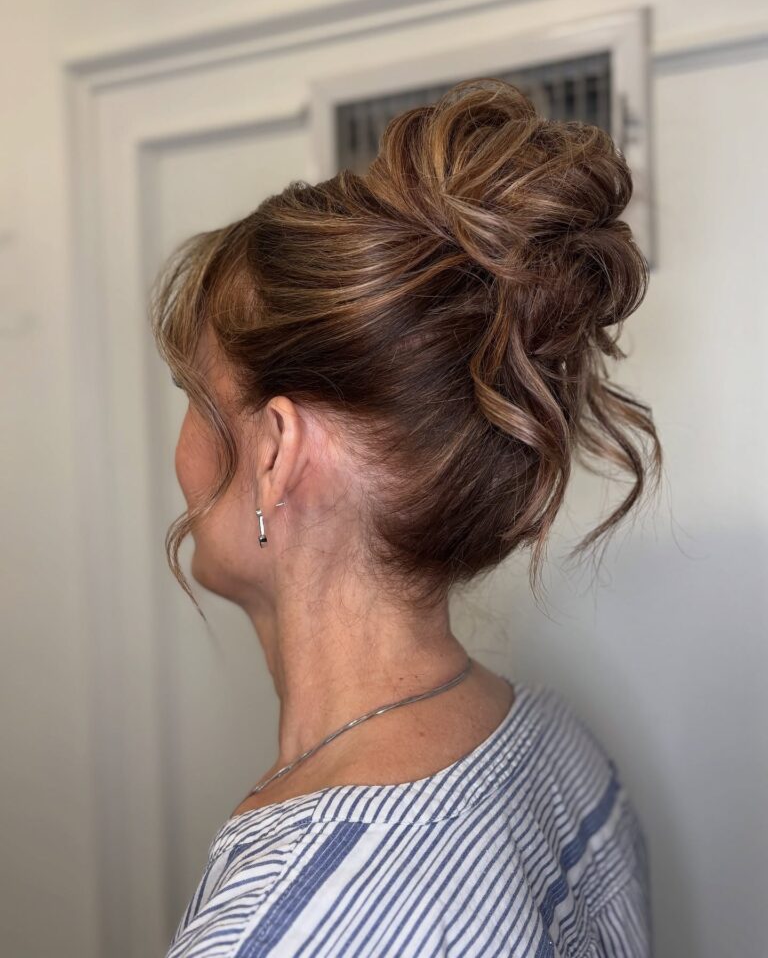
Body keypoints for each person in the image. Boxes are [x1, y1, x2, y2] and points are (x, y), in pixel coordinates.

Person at [149, 77, 662, 957]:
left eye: (194, 399)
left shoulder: (285, 932)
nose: (179, 451)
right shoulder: (563, 755)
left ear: (275, 451)